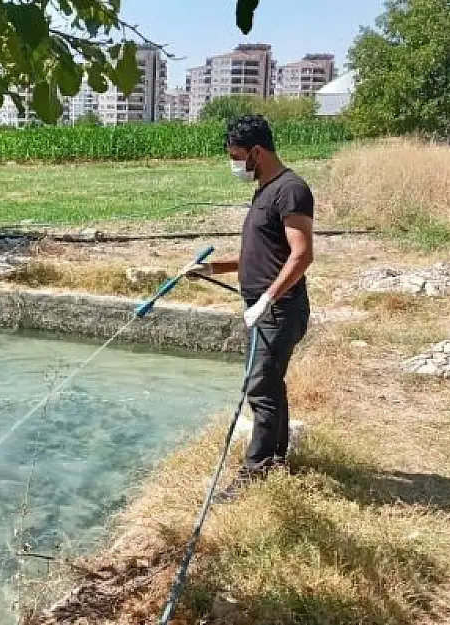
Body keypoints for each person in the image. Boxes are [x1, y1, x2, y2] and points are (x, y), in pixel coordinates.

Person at [185, 114, 315, 499]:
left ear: (257, 152)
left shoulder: (291, 190)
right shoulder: (265, 189)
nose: (234, 164)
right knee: (270, 386)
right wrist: (212, 267)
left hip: (279, 310)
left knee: (259, 388)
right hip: (263, 307)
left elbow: (301, 255)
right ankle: (275, 458)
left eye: (237, 155)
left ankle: (254, 473)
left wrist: (268, 299)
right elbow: (259, 255)